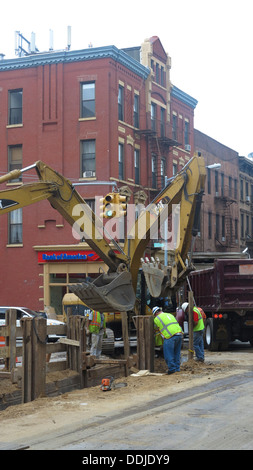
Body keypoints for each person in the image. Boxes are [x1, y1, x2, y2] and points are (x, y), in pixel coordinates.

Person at [152, 306, 183, 375]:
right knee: (176, 353)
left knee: (168, 354)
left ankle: (172, 369)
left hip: (170, 336)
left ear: (155, 314)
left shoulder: (157, 318)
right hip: (179, 334)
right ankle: (177, 368)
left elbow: (155, 329)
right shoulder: (170, 314)